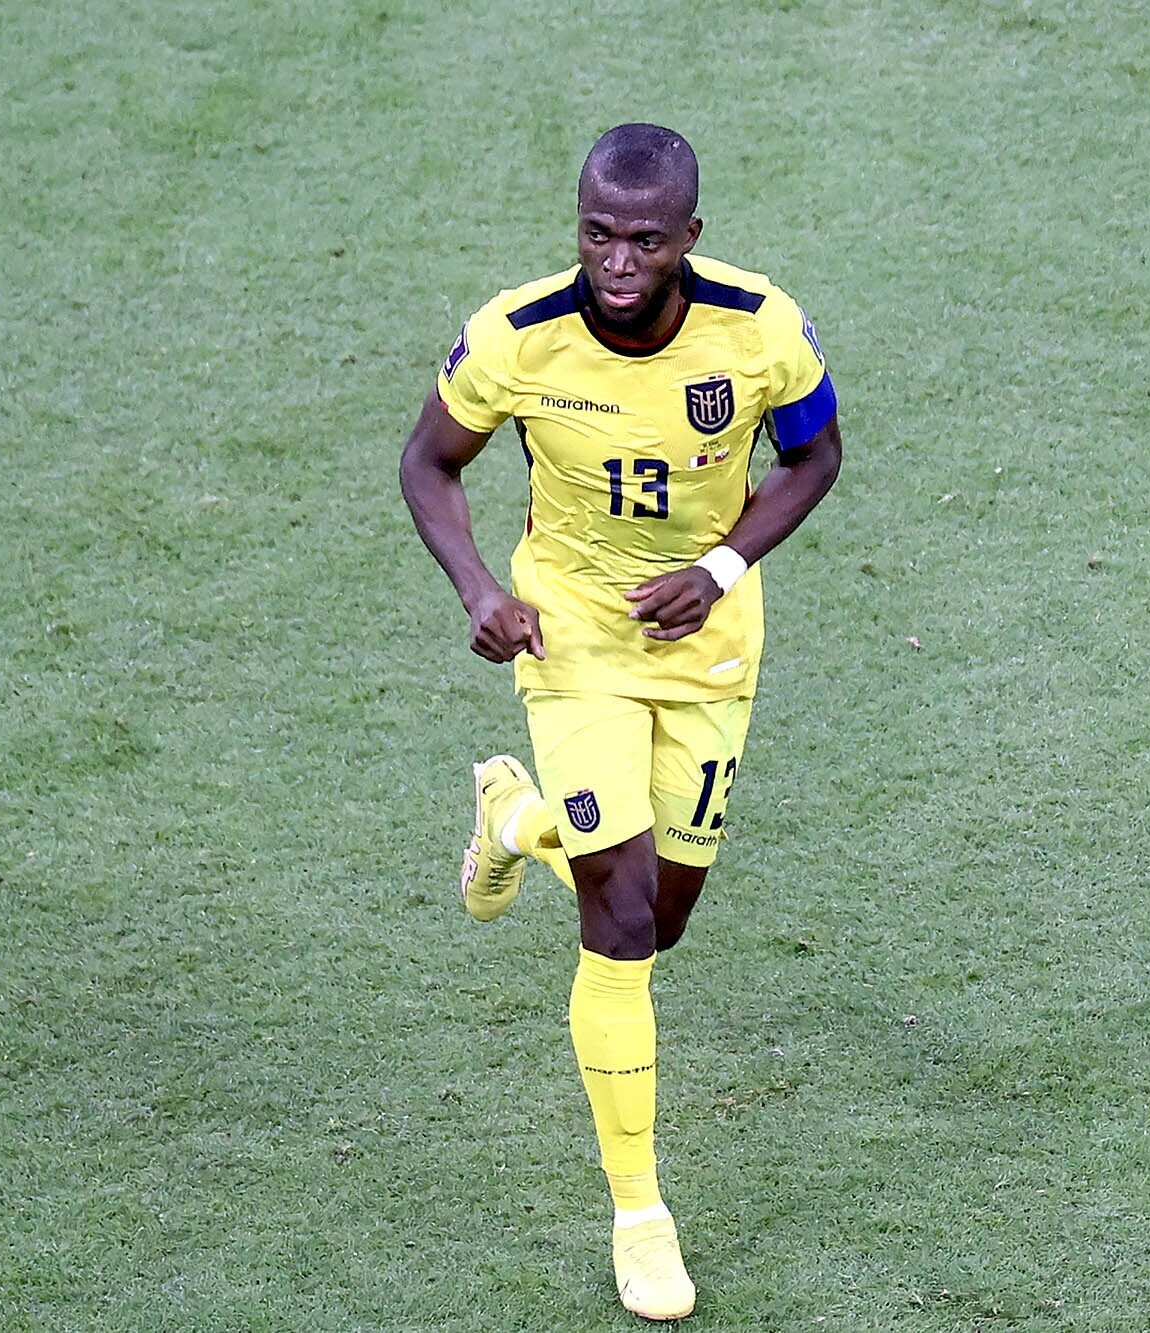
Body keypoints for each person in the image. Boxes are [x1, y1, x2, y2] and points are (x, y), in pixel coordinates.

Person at [398, 122, 843, 1321]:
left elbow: (814, 457)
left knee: (665, 917)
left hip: (706, 649)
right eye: (597, 233)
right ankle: (640, 1216)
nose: (616, 261)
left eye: (644, 239)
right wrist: (479, 591)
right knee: (621, 917)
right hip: (572, 639)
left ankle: (514, 818)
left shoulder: (758, 328)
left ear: (688, 236)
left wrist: (720, 565)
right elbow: (427, 463)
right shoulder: (515, 336)